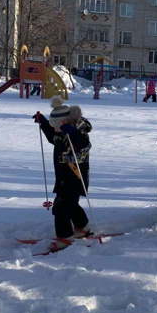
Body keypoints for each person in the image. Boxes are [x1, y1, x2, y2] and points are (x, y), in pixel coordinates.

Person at [33, 96, 93, 251]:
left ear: (66, 123)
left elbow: (83, 144)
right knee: (71, 205)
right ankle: (83, 228)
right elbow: (52, 137)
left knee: (60, 208)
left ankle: (65, 238)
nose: (56, 130)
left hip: (76, 177)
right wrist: (44, 123)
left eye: (57, 127)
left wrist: (72, 133)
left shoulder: (79, 133)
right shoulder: (60, 133)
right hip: (63, 178)